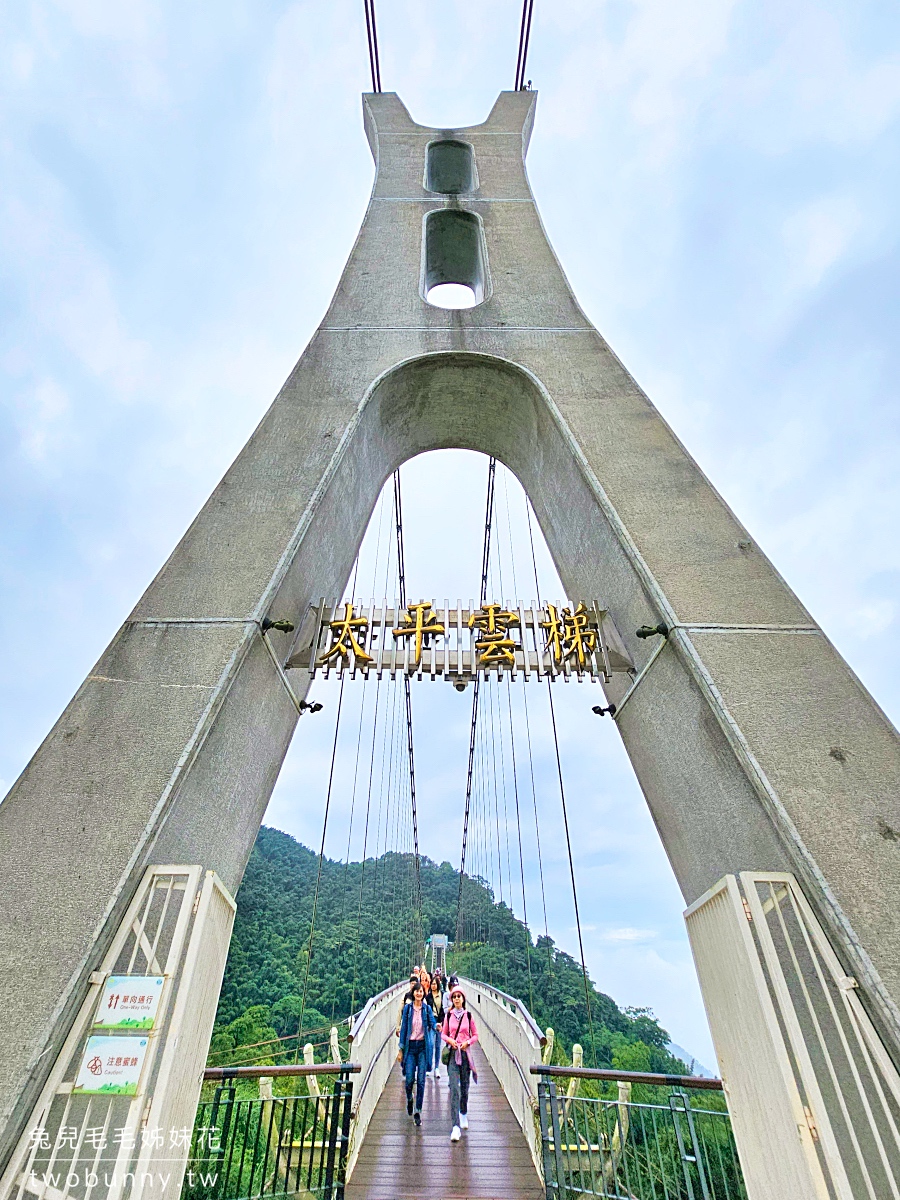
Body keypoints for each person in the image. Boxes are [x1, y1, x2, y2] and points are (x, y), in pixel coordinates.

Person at [442, 985, 478, 1142]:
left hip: (464, 1054)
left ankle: (463, 1112)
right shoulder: (448, 1016)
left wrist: (467, 1042)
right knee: (454, 1088)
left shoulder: (469, 1016)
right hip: (452, 1055)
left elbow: (475, 1035)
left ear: (463, 999)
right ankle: (455, 1126)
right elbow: (443, 1033)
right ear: (452, 999)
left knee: (465, 1087)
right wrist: (450, 1039)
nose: (456, 999)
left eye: (459, 996)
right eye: (454, 996)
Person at [398, 982, 435, 1126]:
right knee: (408, 1080)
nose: (419, 993)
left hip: (422, 1048)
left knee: (420, 1080)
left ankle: (418, 1110)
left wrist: (436, 1026)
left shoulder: (427, 1009)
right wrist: (401, 1049)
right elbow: (404, 1031)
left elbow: (432, 1022)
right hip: (410, 1048)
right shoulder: (407, 1010)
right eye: (416, 991)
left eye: (421, 991)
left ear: (423, 994)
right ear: (413, 993)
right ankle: (409, 1099)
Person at [429, 975, 445, 1078]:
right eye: (432, 984)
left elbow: (445, 1009)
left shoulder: (443, 995)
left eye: (435, 984)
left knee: (438, 1045)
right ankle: (429, 1066)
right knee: (430, 1043)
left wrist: (443, 1022)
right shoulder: (428, 997)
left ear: (438, 984)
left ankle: (436, 1068)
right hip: (431, 1021)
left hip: (440, 1021)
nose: (433, 986)